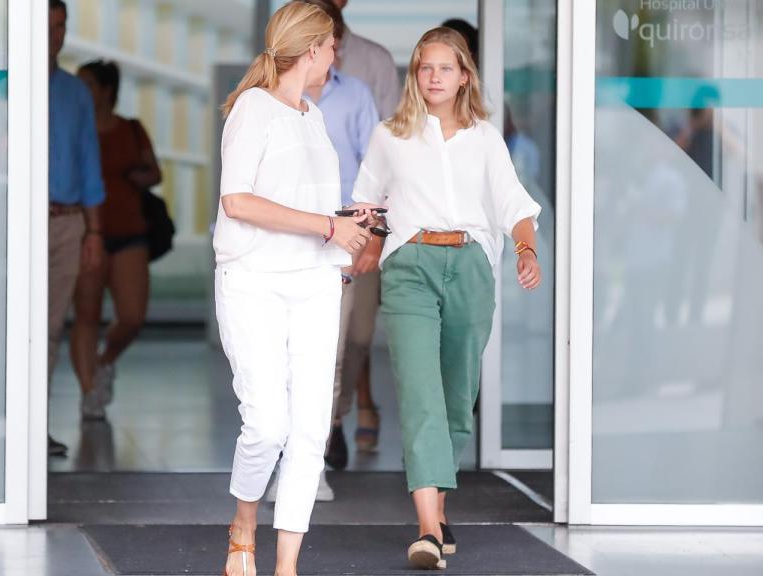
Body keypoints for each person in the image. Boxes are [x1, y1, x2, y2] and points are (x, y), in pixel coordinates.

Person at [352, 27, 541, 570]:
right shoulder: (390, 134)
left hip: (471, 267)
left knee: (458, 398)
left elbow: (513, 203)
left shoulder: (485, 137)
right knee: (420, 393)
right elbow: (367, 204)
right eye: (424, 67)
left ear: (464, 76)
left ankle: (439, 506)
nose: (433, 77)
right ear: (415, 75)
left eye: (444, 68)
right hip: (410, 266)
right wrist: (361, 246)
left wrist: (525, 250)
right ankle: (428, 529)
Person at [214, 3, 378, 574]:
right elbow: (238, 201)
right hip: (254, 283)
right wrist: (328, 225)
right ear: (312, 50)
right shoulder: (252, 110)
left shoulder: (312, 116)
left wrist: (346, 218)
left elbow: (303, 206)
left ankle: (286, 565)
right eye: (332, 46)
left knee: (310, 428)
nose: (336, 55)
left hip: (314, 281)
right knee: (267, 424)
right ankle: (243, 525)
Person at [321, 0, 400, 470]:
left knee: (357, 337)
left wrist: (375, 232)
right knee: (319, 343)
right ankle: (319, 435)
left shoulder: (363, 77)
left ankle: (334, 417)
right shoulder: (276, 82)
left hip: (357, 224)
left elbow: (389, 153)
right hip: (303, 229)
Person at [69, 59, 162, 421]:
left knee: (133, 316)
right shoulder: (75, 130)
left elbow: (155, 171)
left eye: (88, 84)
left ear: (107, 90)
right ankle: (89, 393)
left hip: (129, 232)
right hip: (86, 232)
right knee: (86, 316)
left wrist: (138, 178)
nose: (82, 91)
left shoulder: (130, 129)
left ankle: (105, 361)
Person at [48, 0, 105, 456]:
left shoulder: (74, 93)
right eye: (47, 26)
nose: (54, 35)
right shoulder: (5, 88)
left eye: (61, 26)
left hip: (66, 222)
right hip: (13, 222)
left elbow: (90, 164)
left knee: (49, 328)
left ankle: (35, 424)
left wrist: (94, 232)